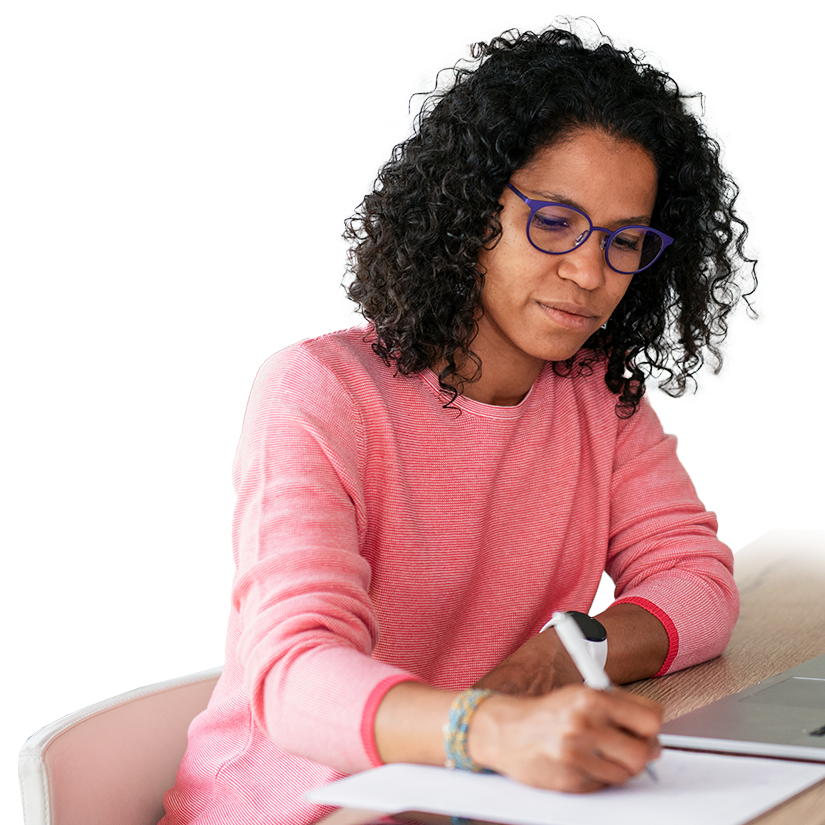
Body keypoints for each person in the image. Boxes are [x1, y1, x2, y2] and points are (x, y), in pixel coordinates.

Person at [161, 18, 757, 825]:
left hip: (463, 802)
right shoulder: (319, 391)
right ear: (469, 208)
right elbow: (295, 675)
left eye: (624, 241)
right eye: (552, 220)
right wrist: (489, 726)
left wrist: (572, 647)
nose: (588, 272)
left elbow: (697, 582)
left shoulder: (597, 395)